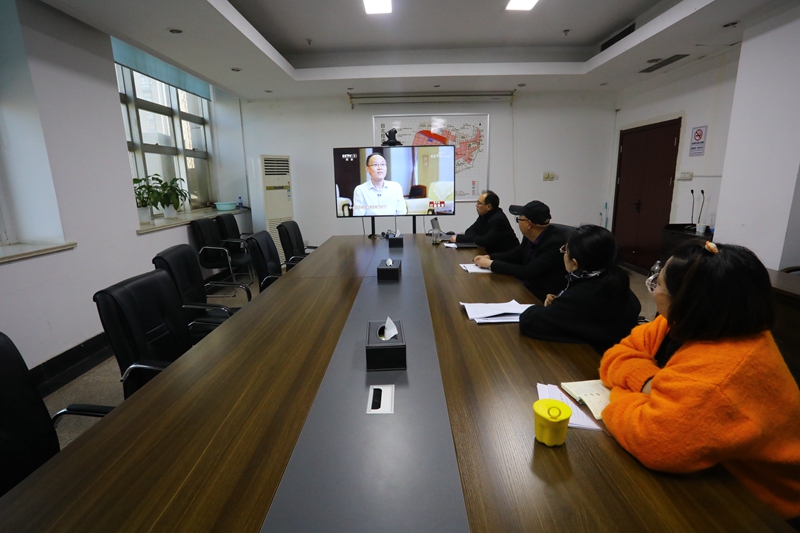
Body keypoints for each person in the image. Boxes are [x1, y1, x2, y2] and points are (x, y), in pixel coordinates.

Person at [600, 241, 800, 524]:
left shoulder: (722, 374)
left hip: (762, 505)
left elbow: (652, 441)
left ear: (686, 301)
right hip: (717, 469)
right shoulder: (690, 322)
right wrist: (649, 381)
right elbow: (616, 355)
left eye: (658, 284)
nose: (653, 290)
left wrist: (624, 390)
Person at [518, 225, 640, 353]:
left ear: (575, 263)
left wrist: (557, 307)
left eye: (565, 250)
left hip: (595, 360)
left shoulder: (583, 296)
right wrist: (560, 303)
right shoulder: (616, 282)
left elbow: (529, 321)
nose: (564, 254)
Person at [473, 200, 568, 301]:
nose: (518, 222)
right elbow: (515, 255)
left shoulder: (554, 244)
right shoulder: (530, 236)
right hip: (525, 288)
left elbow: (526, 272)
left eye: (519, 219)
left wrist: (491, 264)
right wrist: (489, 257)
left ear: (528, 224)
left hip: (540, 297)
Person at [449, 190, 519, 253]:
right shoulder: (484, 216)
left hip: (507, 257)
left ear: (488, 207)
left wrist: (459, 238)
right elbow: (469, 231)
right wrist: (479, 239)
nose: (476, 205)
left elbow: (485, 241)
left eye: (479, 203)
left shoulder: (498, 220)